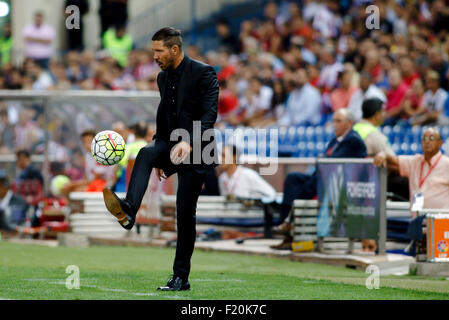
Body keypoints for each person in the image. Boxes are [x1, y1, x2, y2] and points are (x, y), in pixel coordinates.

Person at [102, 27, 219, 291]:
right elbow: (165, 118)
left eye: (158, 51)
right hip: (171, 143)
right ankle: (129, 209)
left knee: (184, 213)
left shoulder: (204, 73)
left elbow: (209, 115)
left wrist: (189, 142)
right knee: (145, 153)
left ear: (174, 49)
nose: (154, 56)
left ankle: (181, 277)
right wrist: (162, 158)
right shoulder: (162, 78)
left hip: (198, 148)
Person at [271, 109, 367, 250]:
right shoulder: (335, 140)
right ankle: (286, 224)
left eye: (338, 121)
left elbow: (332, 161)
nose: (334, 124)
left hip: (337, 184)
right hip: (322, 178)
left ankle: (289, 226)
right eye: (333, 120)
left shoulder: (353, 140)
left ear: (349, 123)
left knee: (304, 186)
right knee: (293, 179)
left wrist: (322, 160)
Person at [374, 127, 449, 218]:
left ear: (440, 143)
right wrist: (383, 154)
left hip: (441, 221)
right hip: (417, 220)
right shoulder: (415, 161)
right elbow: (393, 160)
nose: (427, 141)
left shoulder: (446, 164)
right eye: (424, 138)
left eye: (431, 138)